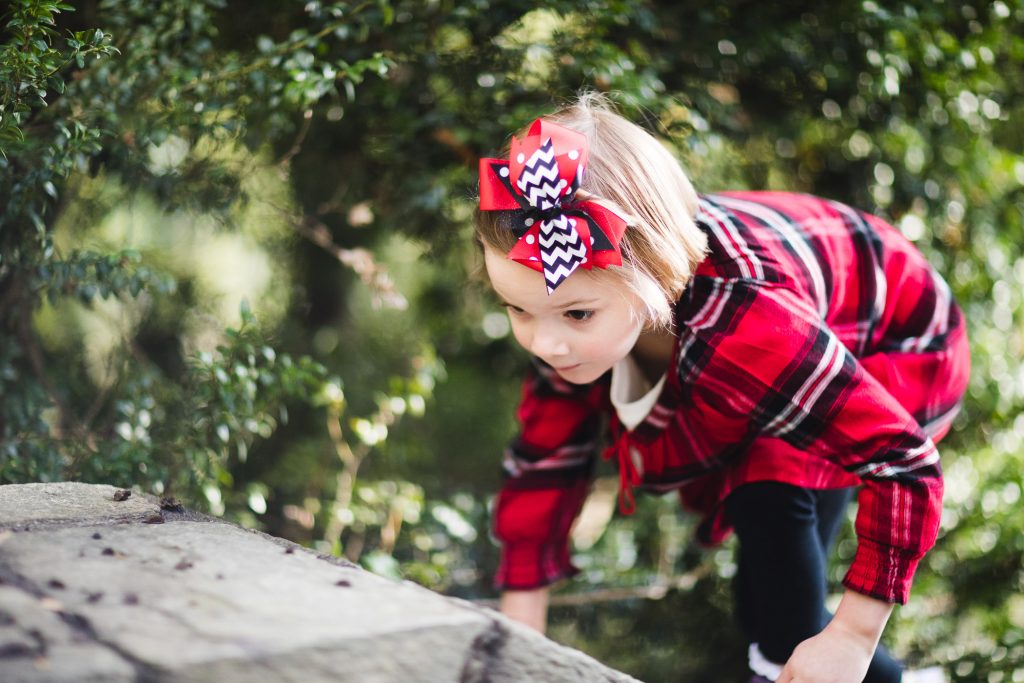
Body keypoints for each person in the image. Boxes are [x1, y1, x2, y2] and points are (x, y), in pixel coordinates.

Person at [474, 93, 970, 683]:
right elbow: (546, 457)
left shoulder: (748, 330)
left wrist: (855, 637)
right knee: (767, 604)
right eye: (517, 311)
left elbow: (903, 461)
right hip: (792, 338)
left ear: (652, 276)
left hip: (894, 343)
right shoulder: (566, 307)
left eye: (576, 316)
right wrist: (522, 639)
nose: (545, 344)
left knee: (787, 604)